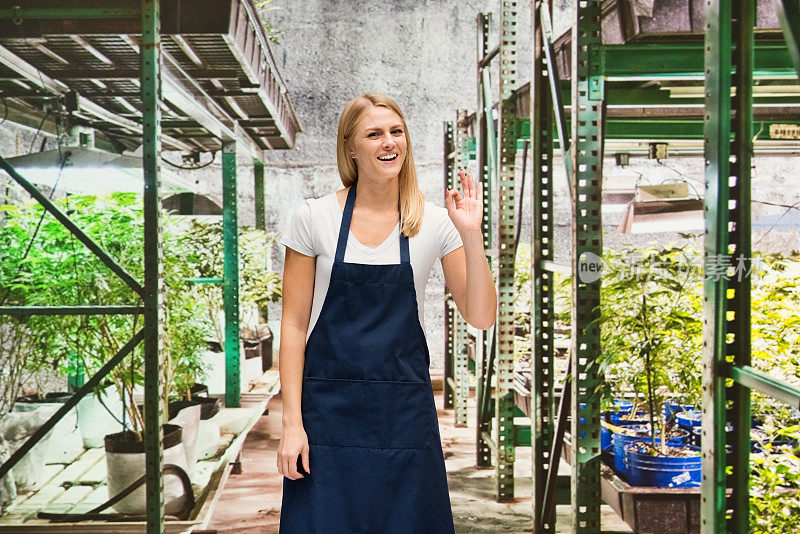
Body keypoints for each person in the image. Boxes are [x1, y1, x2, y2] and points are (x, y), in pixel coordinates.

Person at [276, 92, 496, 533]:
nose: (388, 142)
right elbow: (294, 325)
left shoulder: (433, 222)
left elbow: (481, 315)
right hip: (327, 416)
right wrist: (292, 424)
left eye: (397, 132)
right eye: (374, 134)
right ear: (350, 147)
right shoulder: (313, 217)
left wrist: (471, 234)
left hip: (403, 417)